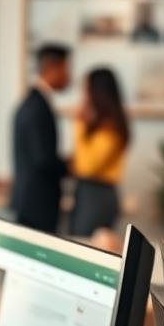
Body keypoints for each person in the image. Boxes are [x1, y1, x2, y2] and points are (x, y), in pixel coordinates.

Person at [11, 43, 71, 233]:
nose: (69, 76)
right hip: (38, 203)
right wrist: (70, 166)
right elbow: (43, 159)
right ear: (53, 68)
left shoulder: (31, 102)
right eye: (66, 69)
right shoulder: (38, 107)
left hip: (30, 200)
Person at [70, 67, 131, 237]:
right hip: (90, 192)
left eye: (86, 89)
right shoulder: (101, 125)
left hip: (97, 195)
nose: (84, 95)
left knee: (84, 245)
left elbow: (86, 167)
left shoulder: (110, 128)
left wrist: (79, 124)